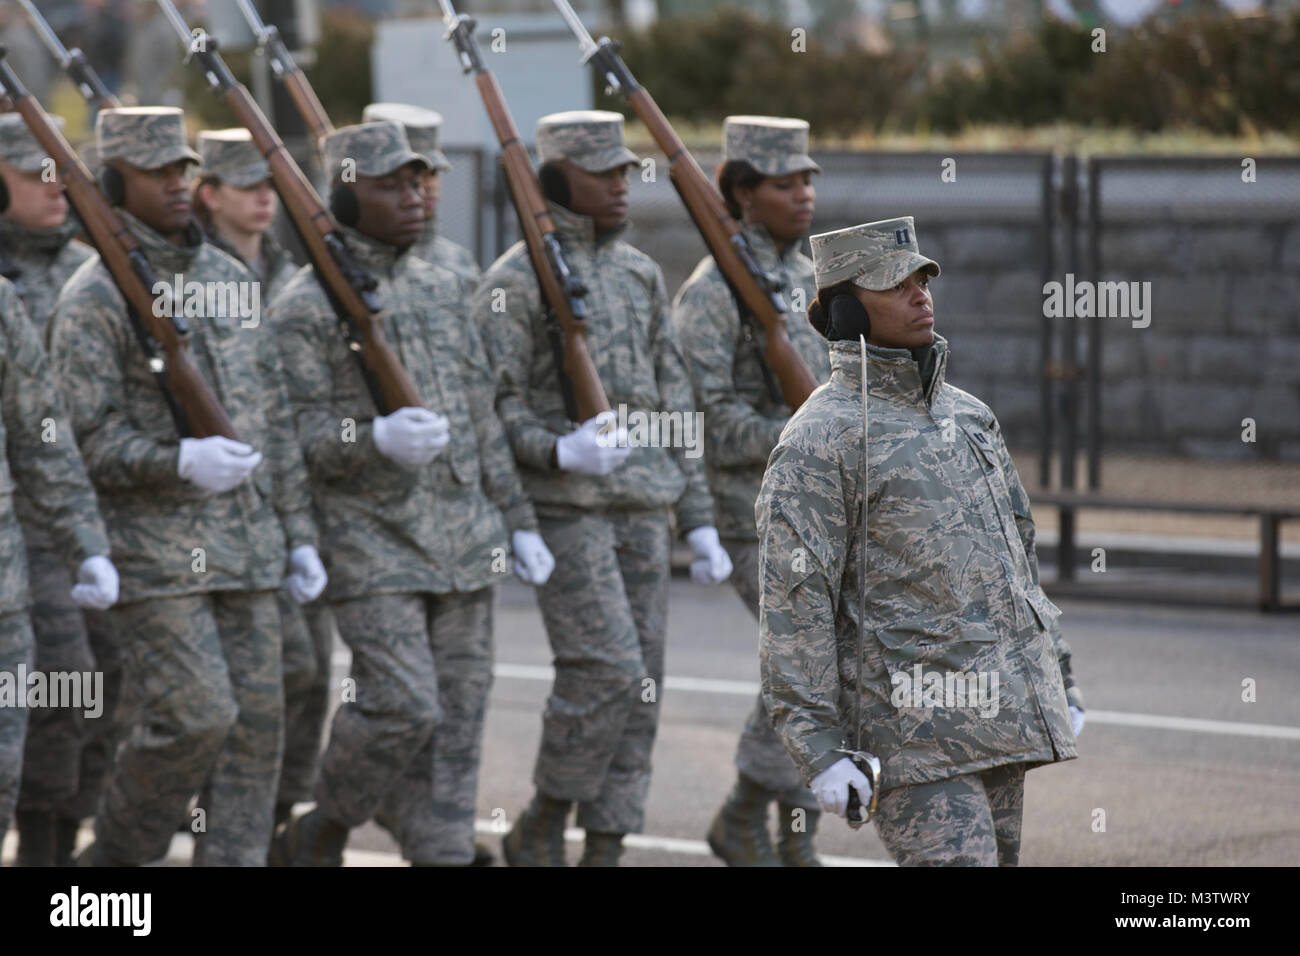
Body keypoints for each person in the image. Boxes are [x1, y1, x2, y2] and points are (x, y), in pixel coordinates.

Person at [757, 216, 1087, 867]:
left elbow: (1018, 559)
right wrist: (817, 750)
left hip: (1000, 717)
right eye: (896, 285)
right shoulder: (820, 439)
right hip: (907, 733)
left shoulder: (968, 415)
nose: (920, 296)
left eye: (922, 279)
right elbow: (795, 603)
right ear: (847, 309)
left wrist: (1059, 675)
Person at [268, 121, 553, 867]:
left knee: (459, 715)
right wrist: (371, 437)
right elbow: (293, 440)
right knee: (401, 704)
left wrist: (517, 521)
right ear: (346, 194)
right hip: (370, 534)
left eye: (418, 182)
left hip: (464, 529)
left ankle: (442, 848)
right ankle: (323, 824)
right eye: (392, 185)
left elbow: (481, 406)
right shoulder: (304, 307)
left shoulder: (451, 275)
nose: (414, 198)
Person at [48, 107, 327, 866]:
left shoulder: (231, 280)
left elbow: (271, 411)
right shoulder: (94, 299)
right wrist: (173, 462)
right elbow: (81, 439)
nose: (177, 184)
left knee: (257, 727)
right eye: (157, 173)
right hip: (156, 554)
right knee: (195, 716)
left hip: (249, 546)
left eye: (182, 169)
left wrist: (297, 535)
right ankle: (113, 864)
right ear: (114, 183)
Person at [476, 110, 733, 867]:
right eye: (606, 173)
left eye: (628, 171)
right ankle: (546, 820)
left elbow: (673, 398)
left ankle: (608, 844)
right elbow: (491, 408)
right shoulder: (513, 283)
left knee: (643, 685)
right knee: (607, 673)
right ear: (558, 180)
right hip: (568, 511)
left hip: (644, 507)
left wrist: (698, 515)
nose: (625, 185)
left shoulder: (638, 273)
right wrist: (555, 451)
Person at [671, 115, 830, 867]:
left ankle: (787, 836)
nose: (802, 194)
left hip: (820, 510)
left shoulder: (807, 274)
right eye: (782, 182)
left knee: (829, 661)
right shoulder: (710, 295)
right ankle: (746, 821)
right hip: (748, 513)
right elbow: (698, 421)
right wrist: (799, 431)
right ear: (739, 191)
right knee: (809, 661)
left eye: (807, 180)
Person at [191, 127, 332, 829]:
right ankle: (224, 809)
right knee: (267, 676)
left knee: (309, 674)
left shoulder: (288, 271)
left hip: (295, 495)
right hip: (217, 512)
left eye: (270, 185)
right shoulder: (191, 274)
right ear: (209, 195)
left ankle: (275, 811)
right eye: (247, 186)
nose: (264, 199)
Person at [0, 112, 122, 866]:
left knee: (82, 690)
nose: (53, 189)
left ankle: (53, 846)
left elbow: (41, 432)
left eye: (58, 173)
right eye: (31, 173)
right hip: (31, 532)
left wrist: (86, 541)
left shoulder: (88, 268)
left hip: (48, 526)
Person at [361, 102, 479, 287]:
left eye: (433, 173)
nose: (429, 185)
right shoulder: (351, 266)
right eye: (416, 178)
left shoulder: (460, 263)